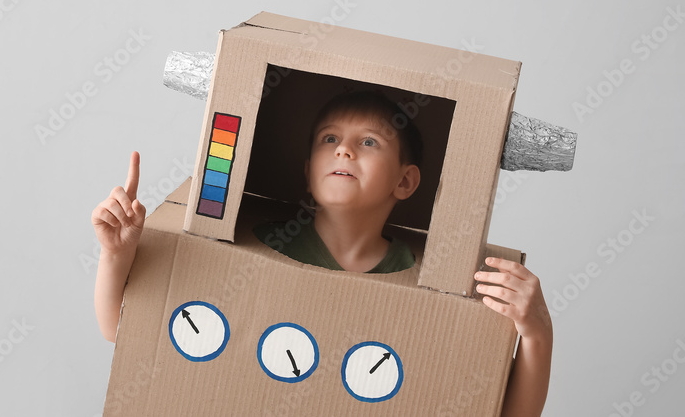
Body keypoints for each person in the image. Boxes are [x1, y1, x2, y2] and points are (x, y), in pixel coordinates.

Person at [91, 91, 552, 416]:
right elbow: (123, 332)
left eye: (369, 141)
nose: (345, 150)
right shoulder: (268, 245)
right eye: (329, 139)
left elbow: (502, 411)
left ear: (405, 181)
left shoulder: (419, 275)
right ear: (309, 169)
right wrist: (116, 255)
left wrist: (535, 332)